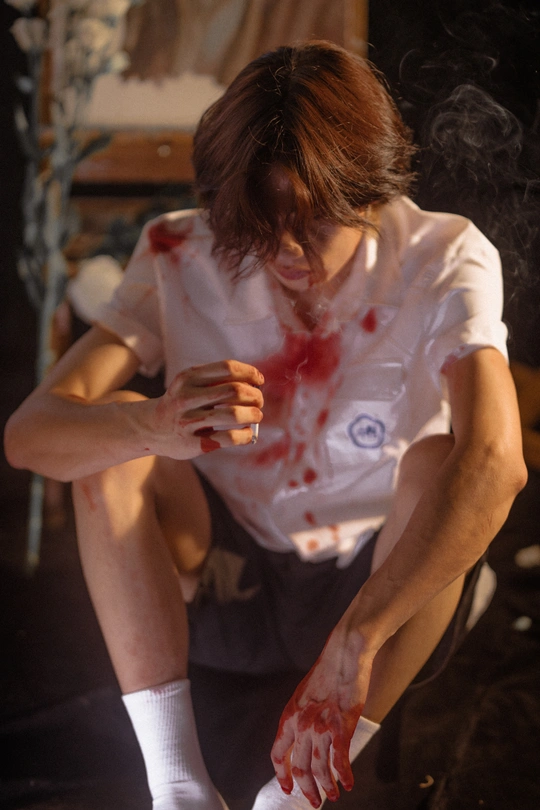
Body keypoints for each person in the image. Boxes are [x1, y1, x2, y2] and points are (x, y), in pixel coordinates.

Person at [5, 40, 527, 810]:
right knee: (111, 441)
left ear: (368, 192)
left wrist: (356, 638)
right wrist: (155, 424)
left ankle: (296, 796)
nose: (284, 252)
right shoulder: (183, 247)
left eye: (311, 223)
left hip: (370, 593)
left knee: (438, 460)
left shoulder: (444, 254)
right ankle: (177, 787)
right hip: (228, 585)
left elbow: (496, 463)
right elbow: (29, 436)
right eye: (256, 222)